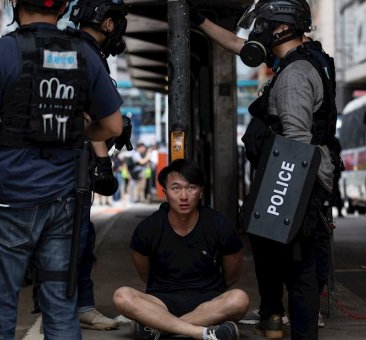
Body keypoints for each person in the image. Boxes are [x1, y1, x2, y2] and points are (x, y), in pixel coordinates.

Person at [0, 0, 123, 338]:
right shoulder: (84, 54)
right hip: (65, 203)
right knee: (61, 310)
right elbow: (114, 126)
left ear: (16, 5)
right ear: (63, 7)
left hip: (7, 200)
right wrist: (84, 132)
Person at [193, 1, 337, 337]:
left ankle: (295, 326)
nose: (259, 31)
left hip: (296, 179)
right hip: (298, 176)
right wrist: (200, 21)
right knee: (274, 253)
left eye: (264, 25)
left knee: (299, 268)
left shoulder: (295, 75)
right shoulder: (305, 58)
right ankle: (272, 315)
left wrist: (284, 201)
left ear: (282, 27)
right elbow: (242, 47)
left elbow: (296, 141)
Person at [112, 159, 249, 340]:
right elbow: (144, 272)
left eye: (191, 188)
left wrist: (159, 320)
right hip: (160, 301)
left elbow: (232, 273)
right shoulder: (149, 228)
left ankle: (159, 327)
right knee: (122, 296)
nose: (183, 196)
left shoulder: (219, 225)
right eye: (175, 188)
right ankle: (201, 332)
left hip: (208, 302)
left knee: (240, 299)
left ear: (200, 192)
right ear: (165, 192)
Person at [68, 0, 129, 330]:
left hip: (49, 165)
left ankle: (65, 306)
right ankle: (75, 308)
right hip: (72, 167)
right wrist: (103, 161)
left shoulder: (70, 48)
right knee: (77, 240)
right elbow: (88, 116)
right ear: (107, 23)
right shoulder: (87, 54)